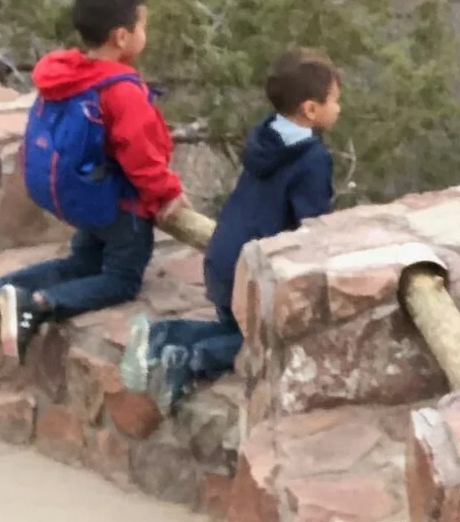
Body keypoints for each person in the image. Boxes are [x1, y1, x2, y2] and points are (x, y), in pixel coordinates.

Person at [0, 0, 183, 360]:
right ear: (122, 36)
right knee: (122, 279)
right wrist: (168, 193)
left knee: (82, 262)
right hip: (119, 204)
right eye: (143, 26)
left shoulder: (67, 75)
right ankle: (38, 304)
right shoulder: (120, 90)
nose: (146, 34)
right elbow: (141, 156)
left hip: (80, 195)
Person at [124, 47, 339, 407]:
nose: (339, 108)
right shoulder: (313, 159)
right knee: (265, 343)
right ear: (310, 109)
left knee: (234, 327)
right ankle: (191, 360)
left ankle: (161, 335)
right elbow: (310, 224)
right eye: (334, 100)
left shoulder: (266, 135)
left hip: (222, 254)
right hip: (250, 270)